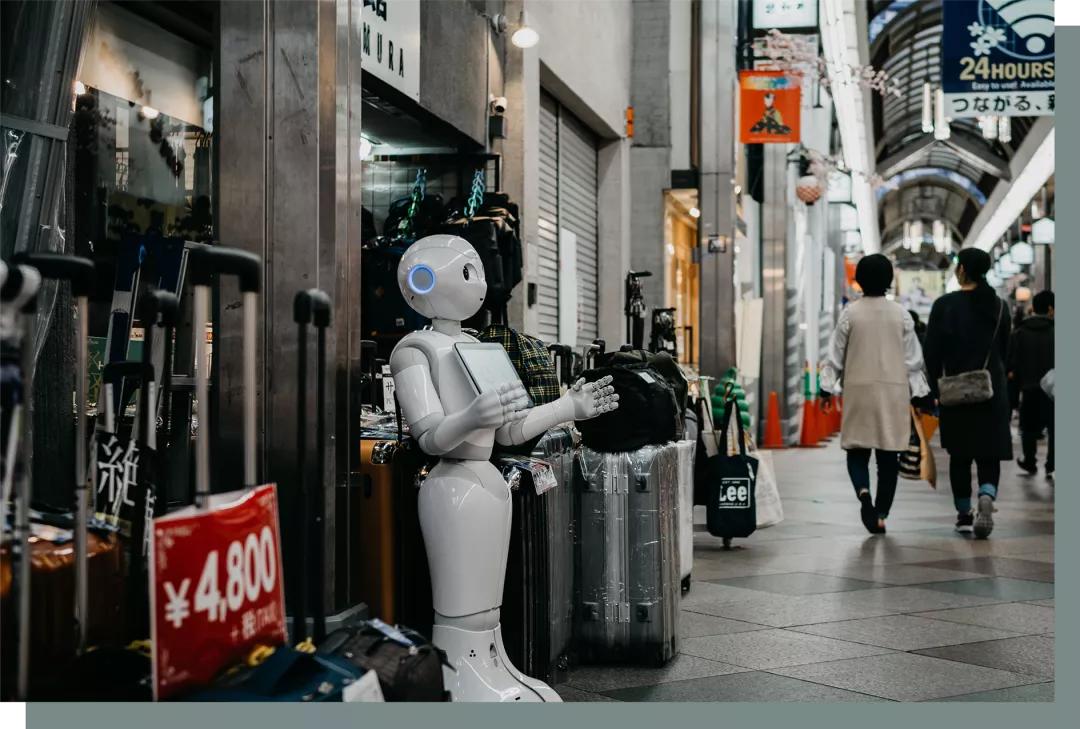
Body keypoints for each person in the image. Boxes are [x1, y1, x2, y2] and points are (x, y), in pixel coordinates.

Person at [821, 254, 930, 535]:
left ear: (859, 279)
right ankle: (880, 514)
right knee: (887, 457)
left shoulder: (850, 314)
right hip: (893, 393)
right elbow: (913, 361)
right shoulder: (901, 314)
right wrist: (920, 394)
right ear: (889, 279)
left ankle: (863, 494)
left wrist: (825, 387)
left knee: (857, 450)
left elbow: (834, 356)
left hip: (858, 390)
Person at [923, 248, 1012, 539]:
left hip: (956, 391)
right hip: (991, 389)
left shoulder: (944, 305)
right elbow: (1004, 351)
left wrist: (931, 390)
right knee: (989, 452)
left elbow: (931, 354)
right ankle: (987, 493)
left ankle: (963, 514)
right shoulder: (999, 306)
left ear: (962, 270)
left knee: (960, 455)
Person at [1008, 290, 1054, 478]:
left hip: (1028, 388)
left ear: (1033, 308)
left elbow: (1012, 365)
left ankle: (1029, 460)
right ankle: (1052, 463)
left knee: (1028, 427)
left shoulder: (1019, 333)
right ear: (1051, 309)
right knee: (1055, 428)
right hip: (1054, 391)